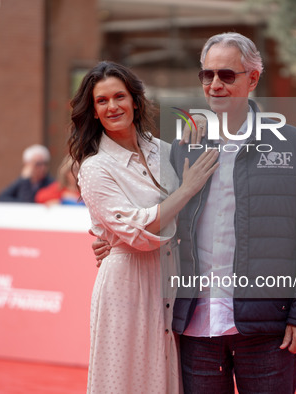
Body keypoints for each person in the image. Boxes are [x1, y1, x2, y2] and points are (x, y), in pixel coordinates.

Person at [93, 33, 296, 393]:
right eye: (207, 75)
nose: (215, 84)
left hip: (266, 330)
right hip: (195, 330)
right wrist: (109, 241)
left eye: (227, 75)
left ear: (252, 78)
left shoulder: (292, 144)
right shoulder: (181, 148)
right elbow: (147, 209)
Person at [70, 61, 218, 394]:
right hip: (126, 286)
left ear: (135, 101)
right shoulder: (95, 169)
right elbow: (136, 233)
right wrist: (185, 189)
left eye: (119, 96)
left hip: (171, 281)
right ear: (93, 112)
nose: (113, 106)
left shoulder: (165, 152)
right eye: (102, 101)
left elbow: (193, 214)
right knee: (126, 381)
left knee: (163, 380)